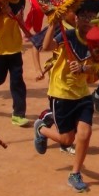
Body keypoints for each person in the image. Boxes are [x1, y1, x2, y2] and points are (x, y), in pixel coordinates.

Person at [32, 0, 99, 192]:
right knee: (66, 140)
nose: (88, 21)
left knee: (85, 133)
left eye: (92, 17)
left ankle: (75, 174)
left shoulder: (97, 42)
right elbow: (46, 48)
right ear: (76, 18)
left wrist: (83, 67)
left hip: (82, 95)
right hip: (61, 93)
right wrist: (53, 24)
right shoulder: (68, 36)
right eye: (84, 16)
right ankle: (42, 129)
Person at [29, 10, 77, 155]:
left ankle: (63, 142)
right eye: (73, 10)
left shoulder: (84, 26)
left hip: (77, 77)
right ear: (64, 12)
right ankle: (41, 126)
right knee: (64, 112)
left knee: (74, 110)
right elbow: (35, 46)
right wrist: (38, 69)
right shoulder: (59, 27)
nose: (77, 15)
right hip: (59, 78)